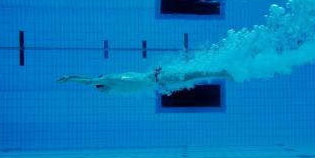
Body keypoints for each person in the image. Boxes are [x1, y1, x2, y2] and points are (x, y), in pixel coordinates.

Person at [58, 67, 233, 94]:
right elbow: (91, 81)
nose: (100, 91)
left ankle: (222, 71)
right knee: (191, 76)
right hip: (156, 79)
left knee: (192, 76)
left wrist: (70, 78)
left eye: (99, 88)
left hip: (157, 77)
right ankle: (221, 72)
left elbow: (89, 81)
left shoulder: (109, 79)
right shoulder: (113, 84)